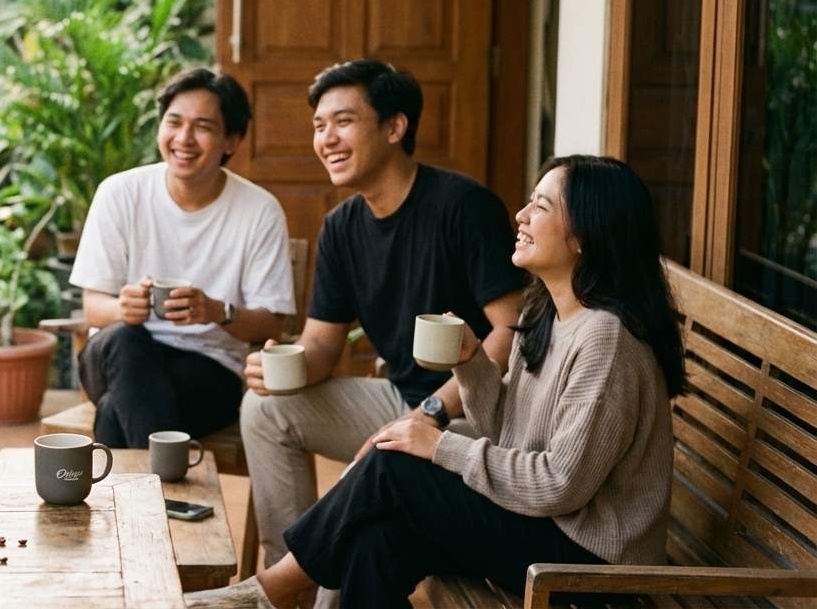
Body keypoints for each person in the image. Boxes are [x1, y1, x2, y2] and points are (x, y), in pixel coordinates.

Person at [191, 155, 687, 608]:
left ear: (584, 236)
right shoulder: (549, 314)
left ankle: (274, 590)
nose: (521, 216)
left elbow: (558, 485)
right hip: (548, 530)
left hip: (590, 561)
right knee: (376, 542)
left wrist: (439, 446)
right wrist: (472, 363)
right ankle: (279, 588)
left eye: (541, 206)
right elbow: (510, 434)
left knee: (398, 466)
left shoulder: (606, 339)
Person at [240, 59, 526, 573]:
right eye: (319, 126)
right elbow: (324, 347)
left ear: (395, 127)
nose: (327, 138)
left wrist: (431, 413)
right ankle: (288, 569)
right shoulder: (341, 227)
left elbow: (512, 327)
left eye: (343, 121)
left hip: (480, 420)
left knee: (377, 470)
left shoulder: (463, 206)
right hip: (402, 400)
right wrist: (280, 369)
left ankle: (294, 585)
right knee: (263, 409)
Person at [69, 68, 296, 448]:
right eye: (174, 122)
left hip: (207, 371)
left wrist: (217, 311)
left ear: (232, 141)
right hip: (113, 358)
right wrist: (124, 309)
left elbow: (271, 322)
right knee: (126, 340)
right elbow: (93, 307)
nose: (184, 138)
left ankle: (144, 501)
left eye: (203, 127)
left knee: (114, 410)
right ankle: (166, 495)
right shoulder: (120, 193)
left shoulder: (259, 210)